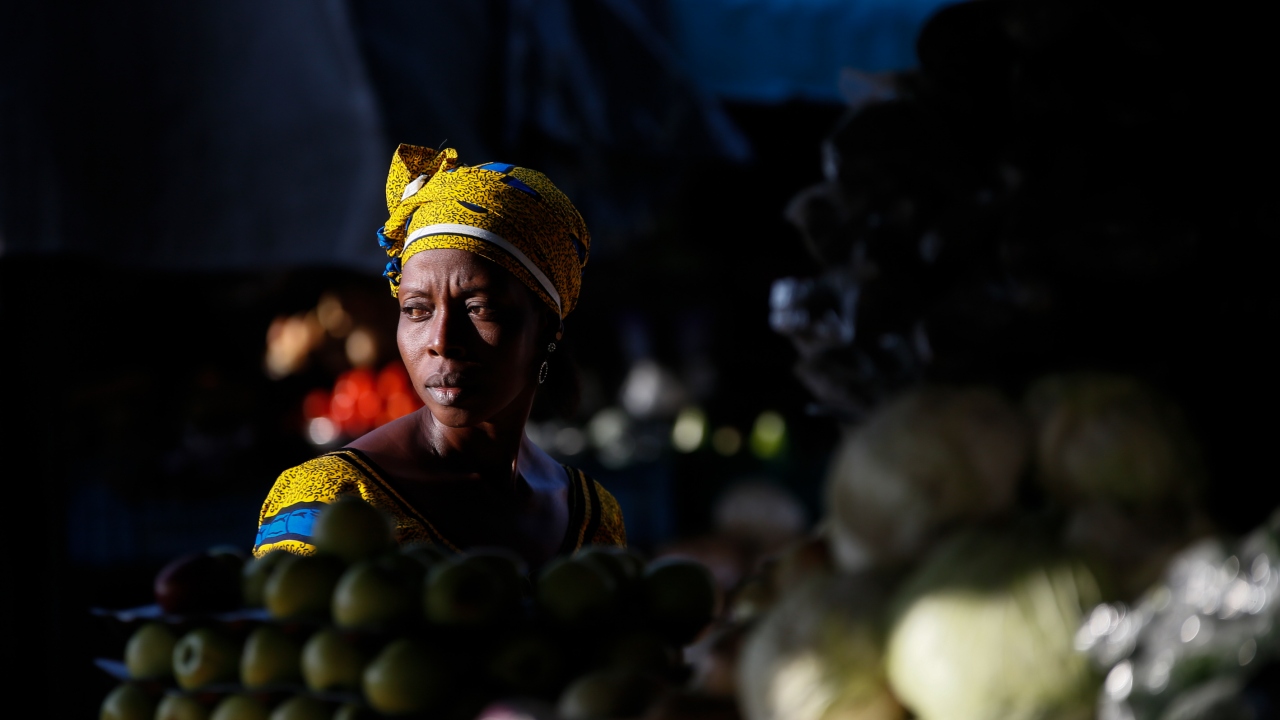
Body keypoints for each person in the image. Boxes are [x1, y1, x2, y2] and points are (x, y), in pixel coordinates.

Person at [252, 145, 625, 567]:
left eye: (479, 308)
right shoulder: (333, 500)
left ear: (546, 328)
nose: (442, 341)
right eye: (416, 310)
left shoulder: (592, 519)